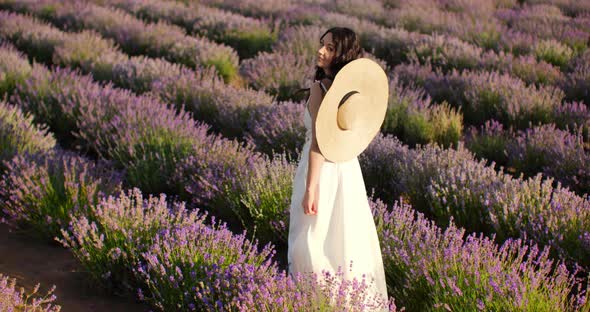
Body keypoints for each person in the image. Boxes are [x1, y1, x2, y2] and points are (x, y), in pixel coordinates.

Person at [287, 27, 389, 311]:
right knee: (346, 241)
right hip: (347, 170)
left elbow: (319, 143)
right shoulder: (347, 94)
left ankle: (317, 302)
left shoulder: (320, 91)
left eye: (330, 48)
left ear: (341, 54)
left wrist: (310, 188)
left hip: (323, 173)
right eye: (323, 45)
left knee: (310, 241)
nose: (321, 51)